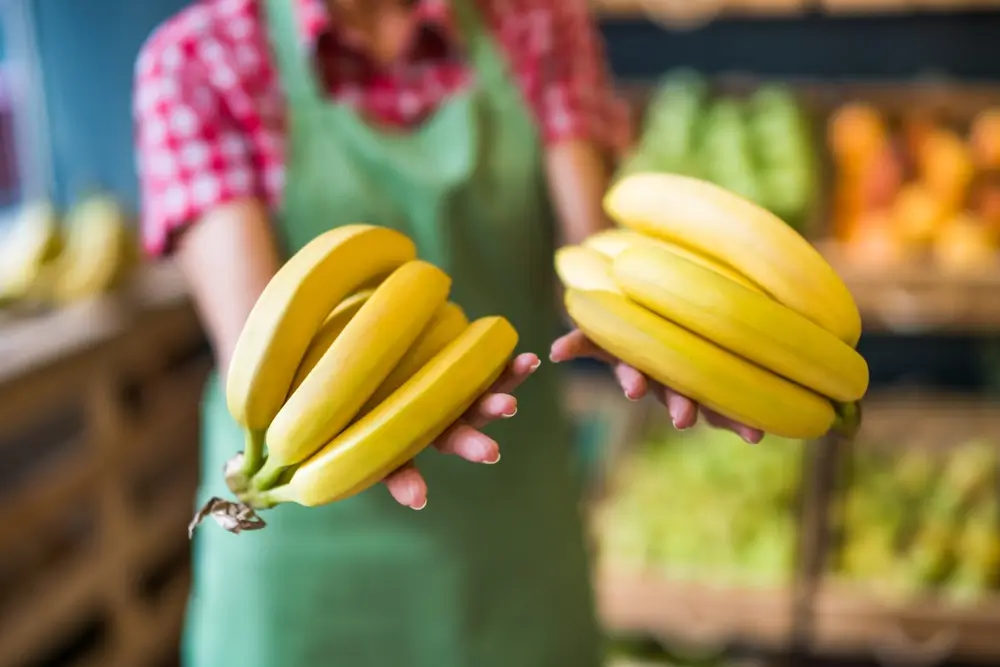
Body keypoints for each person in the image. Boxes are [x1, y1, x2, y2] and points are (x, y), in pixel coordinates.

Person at [133, 1, 763, 665]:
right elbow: (259, 349)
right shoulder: (200, 60)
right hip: (303, 544)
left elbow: (592, 258)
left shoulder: (537, 20)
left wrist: (657, 336)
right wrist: (397, 414)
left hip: (511, 532)